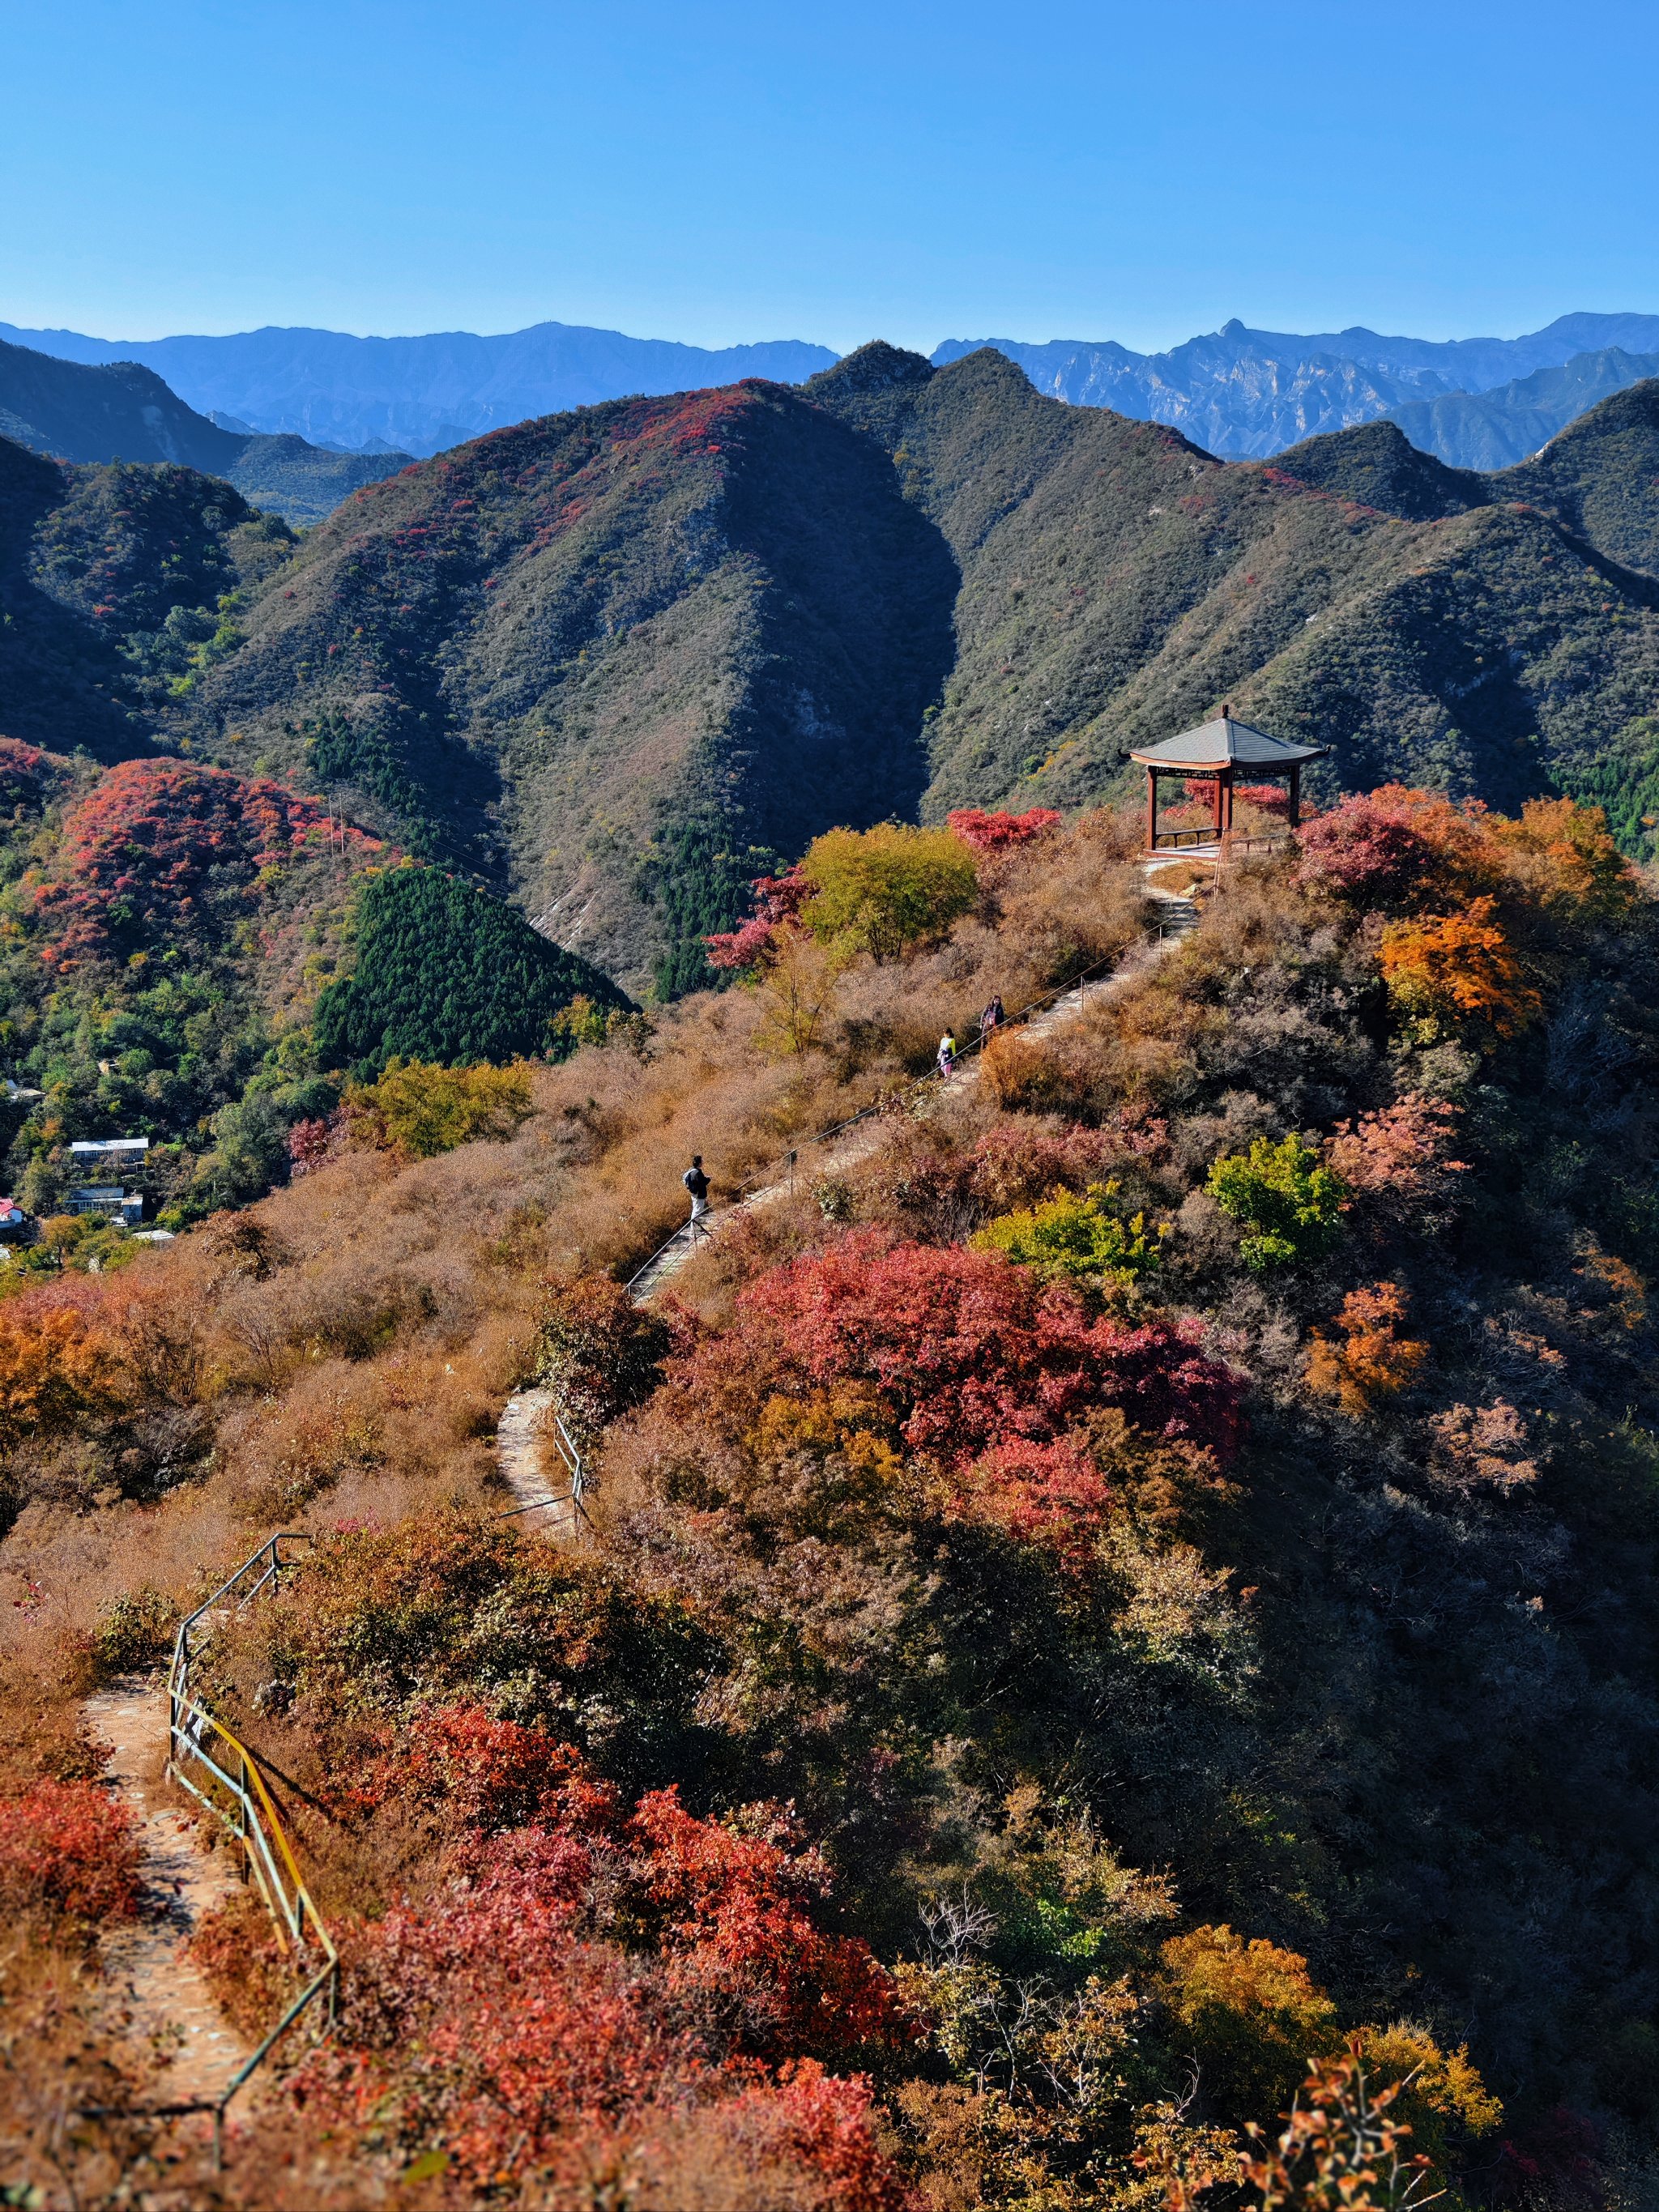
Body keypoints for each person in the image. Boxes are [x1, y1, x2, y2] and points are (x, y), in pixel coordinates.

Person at [683, 1155, 711, 1234]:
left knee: (696, 1209)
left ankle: (696, 1227)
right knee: (697, 1211)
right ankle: (694, 1229)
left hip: (694, 1194)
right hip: (699, 1194)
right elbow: (701, 1183)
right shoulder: (697, 1172)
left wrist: (705, 1179)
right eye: (702, 1161)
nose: (703, 1162)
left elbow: (698, 1181)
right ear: (699, 1163)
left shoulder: (692, 1170)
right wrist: (708, 1179)